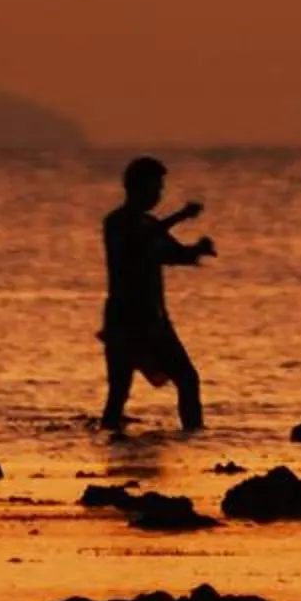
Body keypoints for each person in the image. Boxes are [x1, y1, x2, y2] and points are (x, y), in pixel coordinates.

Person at [100, 155, 214, 432]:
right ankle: (111, 441)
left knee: (188, 379)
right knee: (119, 393)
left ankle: (194, 436)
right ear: (135, 187)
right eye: (154, 188)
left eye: (160, 189)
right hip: (124, 322)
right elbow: (136, 242)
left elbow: (173, 254)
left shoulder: (150, 224)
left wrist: (197, 250)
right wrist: (179, 216)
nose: (158, 194)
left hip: (155, 321)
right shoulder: (116, 223)